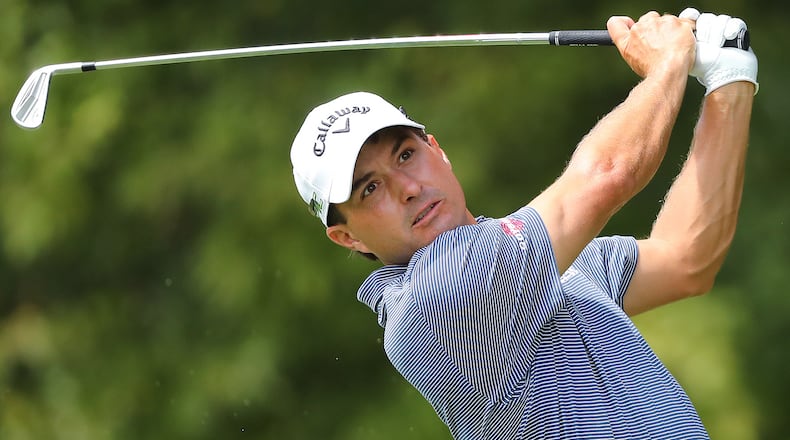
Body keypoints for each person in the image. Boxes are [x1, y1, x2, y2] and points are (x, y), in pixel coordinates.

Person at [289, 8, 757, 439]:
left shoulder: (539, 260)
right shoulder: (435, 295)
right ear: (346, 236)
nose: (406, 188)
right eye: (369, 189)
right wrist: (668, 64)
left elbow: (686, 259)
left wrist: (729, 80)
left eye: (406, 155)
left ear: (438, 150)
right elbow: (606, 177)